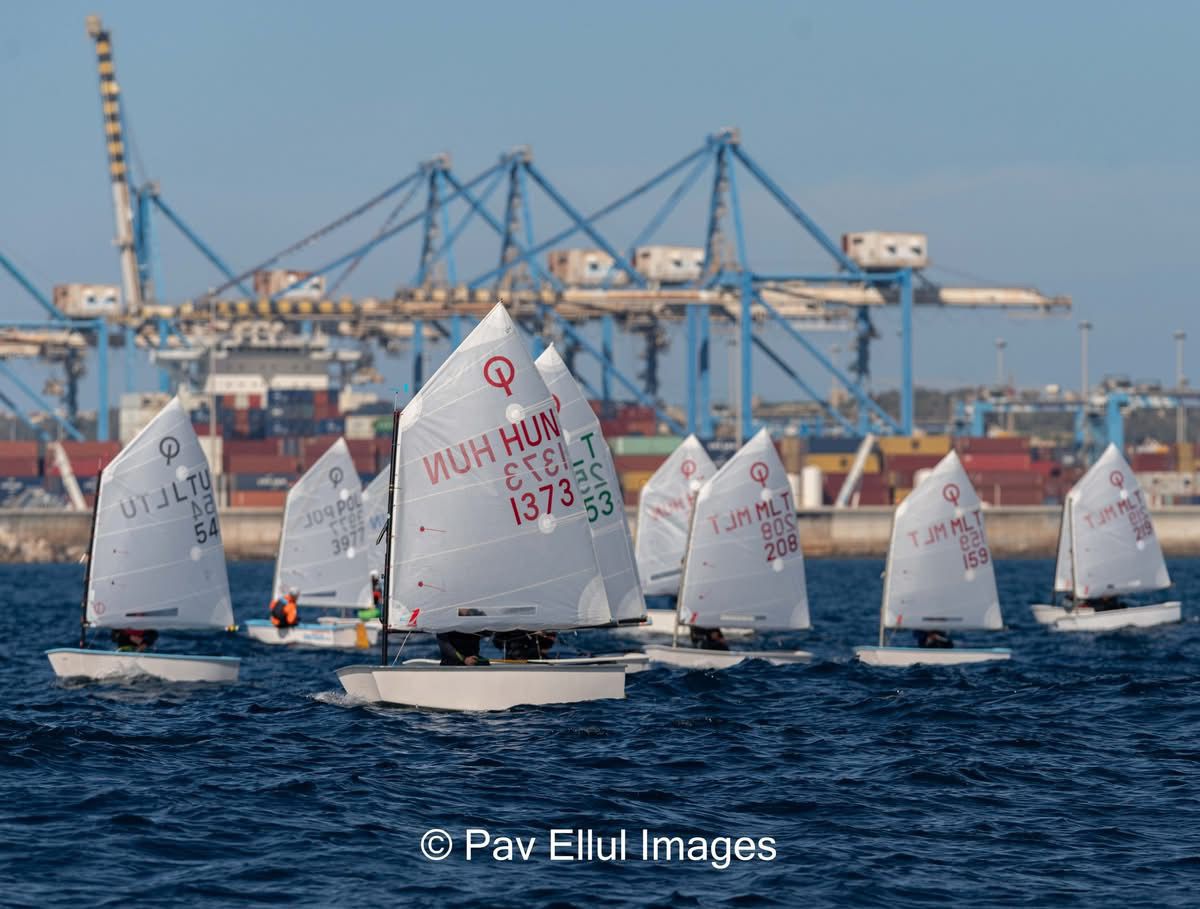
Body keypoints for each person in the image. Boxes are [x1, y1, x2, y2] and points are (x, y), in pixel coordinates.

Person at [492, 630, 557, 661]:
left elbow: (547, 645)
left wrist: (545, 635)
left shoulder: (537, 628)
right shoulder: (508, 627)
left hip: (532, 658)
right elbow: (497, 641)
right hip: (514, 657)